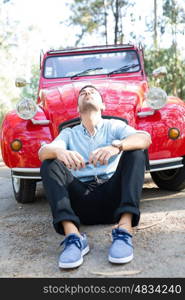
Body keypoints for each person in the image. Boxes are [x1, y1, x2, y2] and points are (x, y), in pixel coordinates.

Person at [39, 85, 151, 269]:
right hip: (80, 203)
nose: (87, 93)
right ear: (77, 109)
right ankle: (73, 237)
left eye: (92, 92)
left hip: (114, 198)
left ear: (103, 105)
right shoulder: (69, 133)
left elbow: (144, 139)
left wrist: (117, 146)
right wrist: (58, 152)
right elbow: (43, 152)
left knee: (136, 153)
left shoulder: (114, 126)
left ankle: (124, 229)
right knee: (49, 163)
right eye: (82, 93)